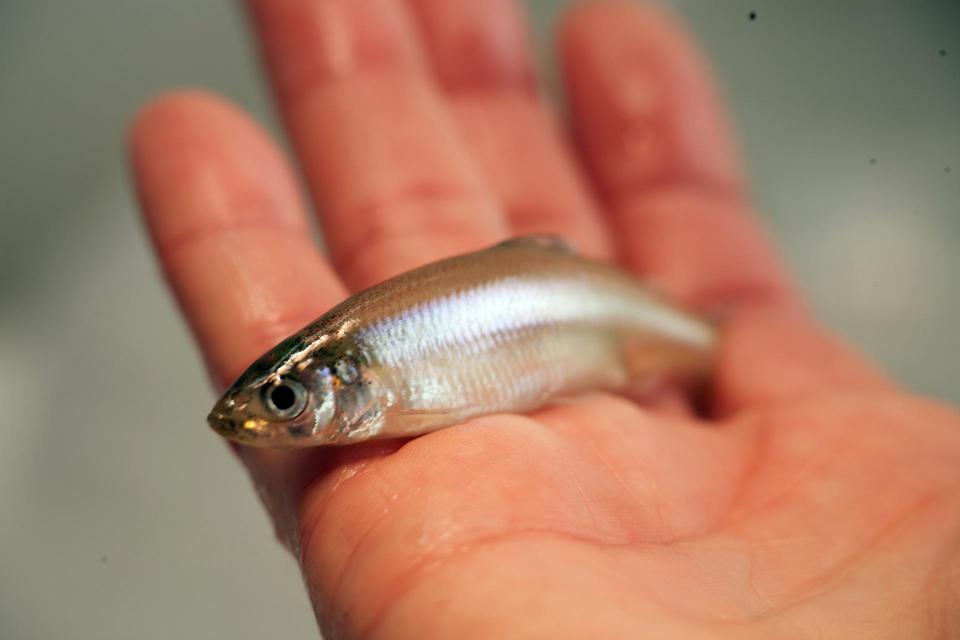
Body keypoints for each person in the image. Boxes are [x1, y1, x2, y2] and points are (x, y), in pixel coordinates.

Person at [129, 1, 960, 637]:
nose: (265, 419)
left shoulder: (374, 362)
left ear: (347, 378)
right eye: (280, 399)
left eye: (283, 402)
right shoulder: (365, 363)